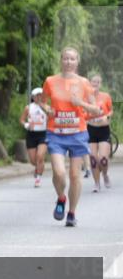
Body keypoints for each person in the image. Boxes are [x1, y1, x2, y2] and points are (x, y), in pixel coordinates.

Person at [41, 47, 101, 226]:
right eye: (65, 58)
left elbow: (96, 109)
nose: (68, 62)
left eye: (72, 59)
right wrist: (47, 110)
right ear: (61, 60)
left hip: (78, 134)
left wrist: (80, 103)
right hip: (56, 134)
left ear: (77, 62)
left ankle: (72, 214)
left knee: (75, 176)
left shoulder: (84, 83)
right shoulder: (50, 81)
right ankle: (61, 198)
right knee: (59, 173)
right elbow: (42, 102)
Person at [87, 73, 114, 191]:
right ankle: (96, 183)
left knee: (103, 159)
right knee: (93, 159)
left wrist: (106, 118)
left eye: (97, 82)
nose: (95, 84)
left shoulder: (105, 96)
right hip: (91, 130)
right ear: (89, 83)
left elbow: (111, 111)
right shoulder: (85, 97)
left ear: (100, 84)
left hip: (103, 130)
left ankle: (105, 175)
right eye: (93, 82)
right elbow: (82, 112)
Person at [20, 87, 49, 187]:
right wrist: (26, 125)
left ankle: (38, 179)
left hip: (43, 134)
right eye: (37, 95)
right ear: (33, 97)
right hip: (31, 134)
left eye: (41, 95)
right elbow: (22, 120)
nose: (39, 97)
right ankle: (38, 167)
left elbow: (52, 117)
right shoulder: (28, 107)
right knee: (33, 161)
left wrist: (46, 110)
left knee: (40, 156)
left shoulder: (46, 107)